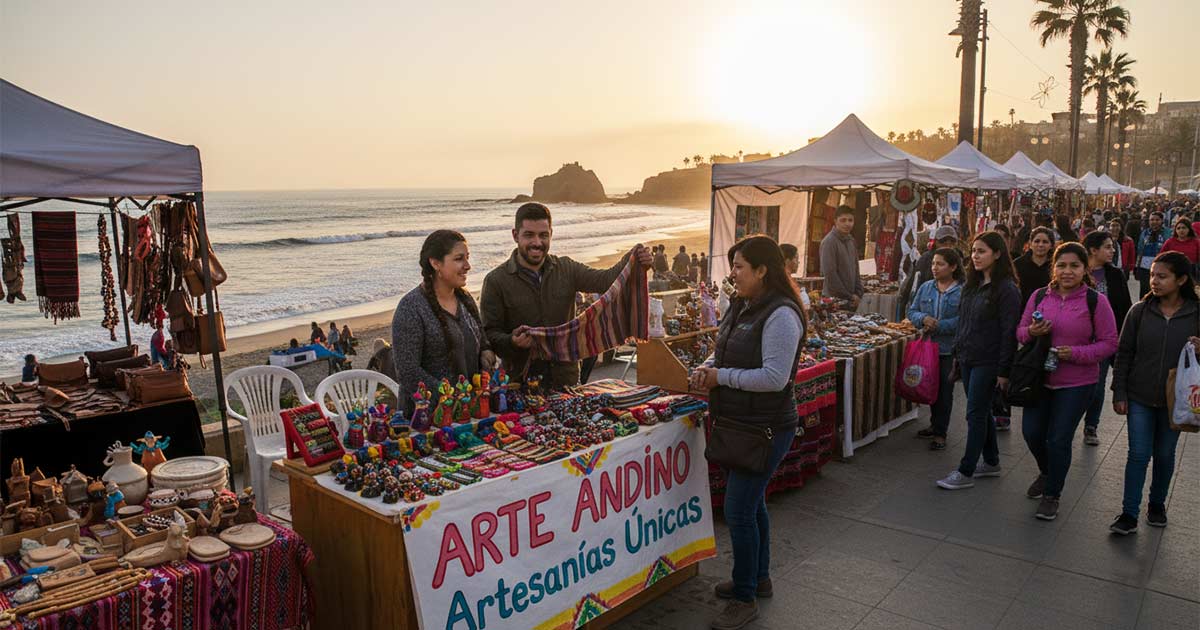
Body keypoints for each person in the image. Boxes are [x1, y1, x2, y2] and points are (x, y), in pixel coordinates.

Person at [688, 235, 806, 630]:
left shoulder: (782, 314)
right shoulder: (743, 304)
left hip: (766, 427)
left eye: (739, 267)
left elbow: (774, 378)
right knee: (752, 505)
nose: (733, 273)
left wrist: (720, 377)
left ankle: (744, 596)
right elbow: (724, 349)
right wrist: (708, 367)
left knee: (738, 509)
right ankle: (759, 578)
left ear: (762, 270)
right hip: (742, 423)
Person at [480, 203, 652, 389]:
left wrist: (632, 260)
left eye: (543, 235)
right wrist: (512, 342)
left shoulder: (567, 269)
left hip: (567, 383)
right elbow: (489, 335)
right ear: (515, 235)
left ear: (551, 234)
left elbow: (605, 281)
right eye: (529, 235)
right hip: (520, 386)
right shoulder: (496, 281)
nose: (537, 243)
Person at [1016, 242, 1119, 520]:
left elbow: (1110, 343)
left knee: (1058, 439)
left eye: (1074, 265)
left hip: (1077, 383)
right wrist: (1032, 331)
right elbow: (1020, 331)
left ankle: (1052, 494)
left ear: (1085, 269)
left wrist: (1075, 353)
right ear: (1054, 268)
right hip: (1039, 378)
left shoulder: (1096, 301)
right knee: (1032, 432)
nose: (1067, 271)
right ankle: (1047, 471)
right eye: (1061, 265)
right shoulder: (1039, 296)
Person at [1109, 251, 1199, 535]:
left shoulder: (1196, 314)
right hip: (1139, 396)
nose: (1154, 282)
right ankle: (1129, 513)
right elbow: (1124, 353)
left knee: (1164, 454)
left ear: (1181, 280)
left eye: (1162, 276)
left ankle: (1157, 504)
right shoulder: (1139, 311)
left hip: (1176, 400)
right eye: (1152, 276)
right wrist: (1119, 392)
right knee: (1138, 454)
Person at [937, 232, 1021, 491]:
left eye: (982, 251)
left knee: (974, 413)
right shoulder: (971, 285)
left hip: (989, 360)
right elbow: (963, 322)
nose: (975, 256)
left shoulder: (1006, 289)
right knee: (981, 412)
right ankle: (992, 461)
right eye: (973, 251)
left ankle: (966, 470)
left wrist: (1004, 370)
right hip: (967, 357)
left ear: (997, 253)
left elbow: (1009, 332)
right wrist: (957, 354)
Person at [392, 230, 498, 411]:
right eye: (459, 259)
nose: (468, 266)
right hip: (427, 417)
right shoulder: (411, 307)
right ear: (435, 263)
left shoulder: (465, 299)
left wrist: (486, 353)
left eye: (467, 258)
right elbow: (408, 371)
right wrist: (451, 398)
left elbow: (482, 340)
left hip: (469, 412)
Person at [908, 247, 964, 450]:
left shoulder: (962, 291)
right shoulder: (926, 287)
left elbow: (964, 319)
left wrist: (939, 325)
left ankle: (941, 432)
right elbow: (911, 310)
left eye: (940, 264)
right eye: (933, 263)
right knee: (930, 387)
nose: (935, 267)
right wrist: (923, 318)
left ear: (953, 267)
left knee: (944, 392)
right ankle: (934, 424)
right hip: (928, 348)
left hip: (949, 350)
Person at [1082, 231, 1133, 446]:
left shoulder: (1115, 275)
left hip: (1102, 340)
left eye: (1113, 247)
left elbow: (1125, 306)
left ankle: (1091, 425)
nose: (1113, 251)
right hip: (1076, 338)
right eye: (1108, 247)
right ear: (1093, 250)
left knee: (1097, 383)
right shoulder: (1077, 271)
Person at [898, 225, 958, 314]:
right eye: (943, 242)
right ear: (936, 242)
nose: (947, 246)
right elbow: (912, 284)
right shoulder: (925, 259)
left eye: (951, 243)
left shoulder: (958, 260)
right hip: (926, 309)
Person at [819, 205, 863, 307]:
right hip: (833, 302)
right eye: (843, 220)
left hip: (851, 300)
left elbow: (856, 270)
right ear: (835, 221)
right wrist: (850, 296)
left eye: (850, 220)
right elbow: (830, 275)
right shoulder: (829, 242)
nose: (847, 224)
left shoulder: (851, 241)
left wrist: (858, 293)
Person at [1013, 227, 1056, 311]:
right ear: (1030, 244)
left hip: (1049, 310)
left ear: (1051, 245)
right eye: (1037, 241)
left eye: (1045, 242)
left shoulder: (1055, 266)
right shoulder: (1017, 264)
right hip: (1021, 309)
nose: (1040, 245)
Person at [1134, 211, 1167, 297]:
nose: (1154, 222)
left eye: (1157, 220)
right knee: (1144, 291)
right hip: (1144, 267)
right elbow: (1140, 250)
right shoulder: (1145, 233)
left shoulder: (1167, 232)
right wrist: (1137, 267)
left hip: (1161, 266)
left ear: (1162, 221)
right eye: (1152, 220)